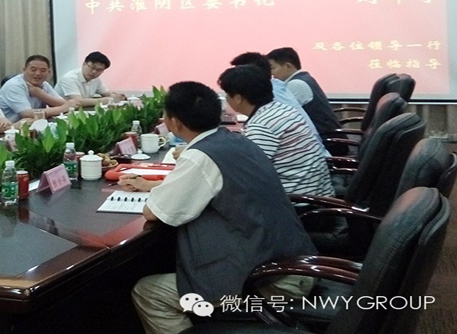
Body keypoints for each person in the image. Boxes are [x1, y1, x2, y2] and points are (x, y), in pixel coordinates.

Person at [119, 81, 317, 334]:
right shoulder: (235, 140)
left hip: (270, 284)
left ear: (175, 122)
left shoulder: (199, 156)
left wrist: (156, 190)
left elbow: (154, 212)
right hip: (293, 264)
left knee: (150, 293)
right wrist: (154, 185)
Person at [218, 65, 335, 199]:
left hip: (296, 203)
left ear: (238, 98)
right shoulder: (282, 109)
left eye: (227, 94)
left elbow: (247, 176)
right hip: (317, 194)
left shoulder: (262, 125)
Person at [230, 51, 328, 155]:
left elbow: (256, 156)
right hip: (310, 154)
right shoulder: (275, 87)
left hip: (309, 155)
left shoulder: (272, 95)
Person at [267, 47, 347, 155]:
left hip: (329, 144)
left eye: (272, 68)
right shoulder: (304, 78)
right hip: (328, 139)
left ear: (288, 66)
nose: (271, 74)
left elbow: (280, 116)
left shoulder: (296, 84)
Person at [0, 55, 79, 122]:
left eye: (43, 70)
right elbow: (26, 113)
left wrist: (41, 95)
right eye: (33, 70)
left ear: (49, 72)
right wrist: (62, 109)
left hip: (34, 124)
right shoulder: (14, 85)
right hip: (10, 129)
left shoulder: (44, 84)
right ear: (24, 70)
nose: (38, 73)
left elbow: (63, 103)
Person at [54, 51, 125, 107]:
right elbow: (78, 101)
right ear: (84, 64)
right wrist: (105, 100)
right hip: (60, 112)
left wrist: (117, 96)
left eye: (99, 70)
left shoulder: (96, 80)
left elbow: (107, 94)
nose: (94, 72)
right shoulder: (69, 78)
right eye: (92, 67)